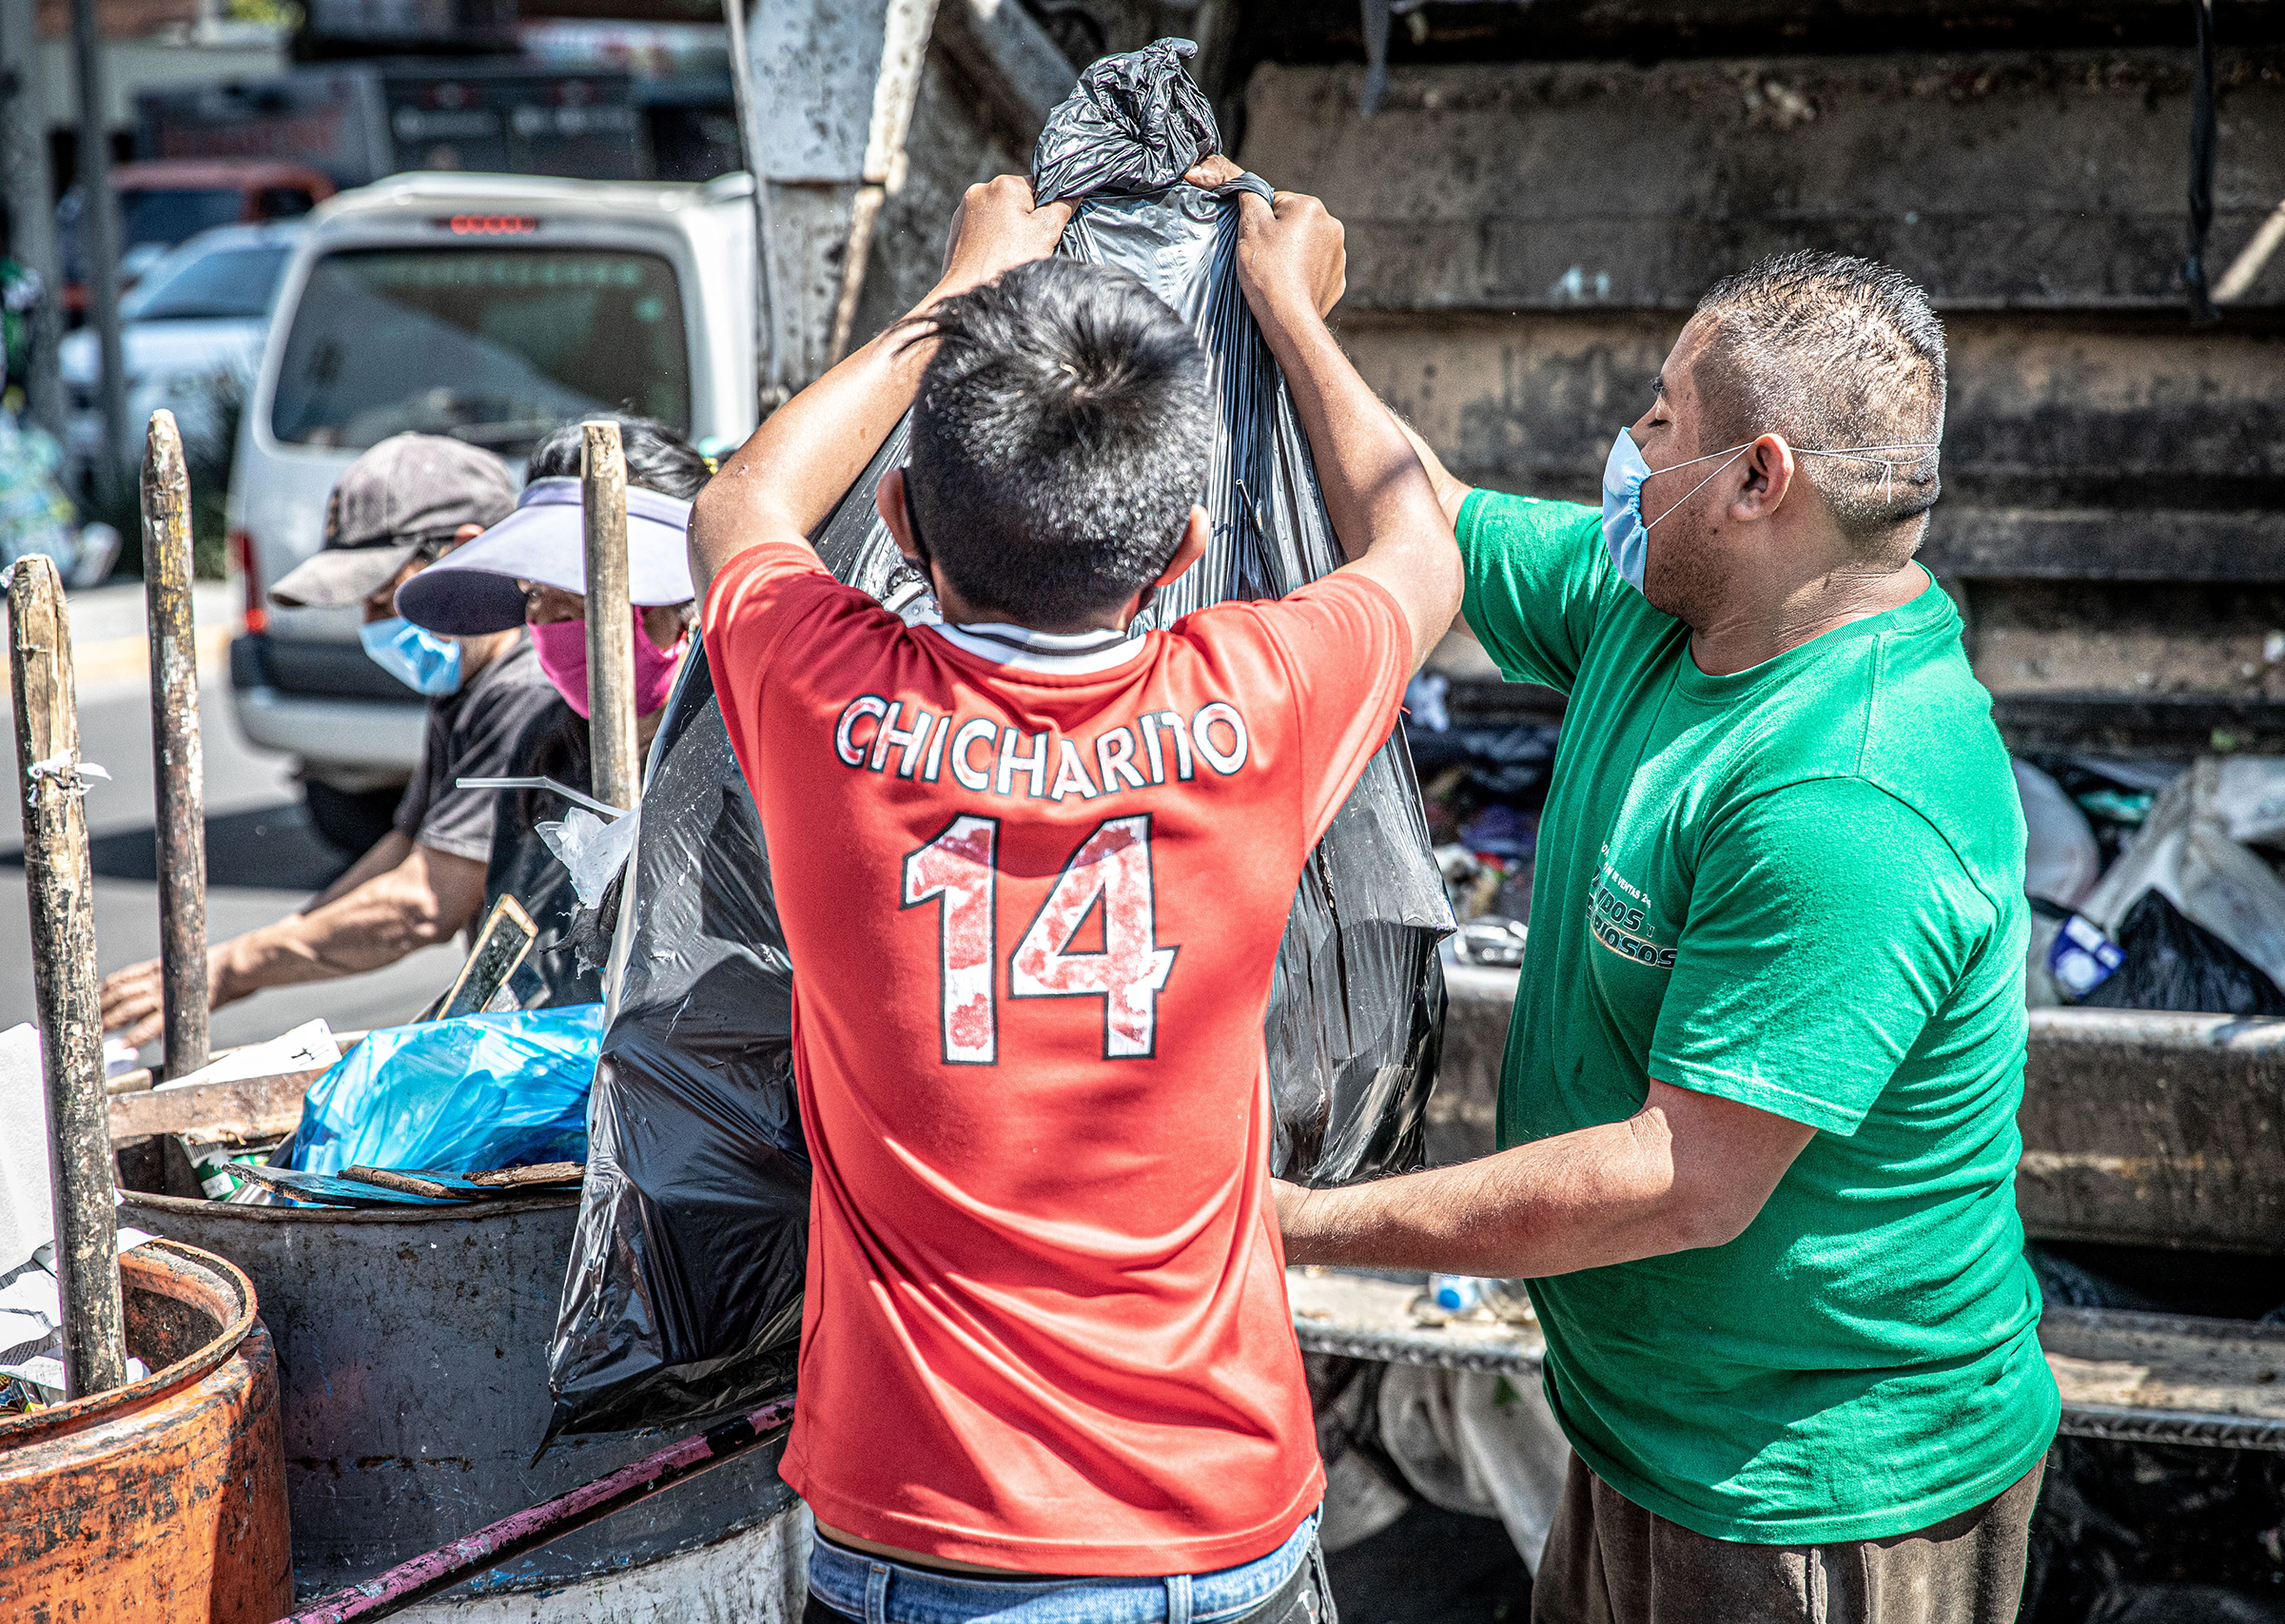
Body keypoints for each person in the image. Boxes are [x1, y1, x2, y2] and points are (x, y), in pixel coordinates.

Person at [686, 176, 1459, 1618]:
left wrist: (954, 289)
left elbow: (744, 504)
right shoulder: (1260, 698)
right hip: (1228, 1527)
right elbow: (1419, 547)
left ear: (907, 523)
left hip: (936, 1545)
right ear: (1180, 558)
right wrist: (1292, 308)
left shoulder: (827, 696)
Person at [1275, 251, 2060, 1624]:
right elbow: (1431, 521)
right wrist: (1287, 309)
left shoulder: (1852, 792)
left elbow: (1681, 1179)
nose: (1632, 441)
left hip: (1813, 1490)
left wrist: (1291, 1225)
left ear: (1760, 478)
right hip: (1648, 1425)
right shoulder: (1671, 614)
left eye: (1661, 412)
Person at [99, 434, 550, 1047]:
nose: (372, 627)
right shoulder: (469, 685)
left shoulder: (525, 688)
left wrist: (233, 969)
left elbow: (422, 901)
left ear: (466, 553)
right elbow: (405, 847)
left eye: (383, 599)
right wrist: (239, 960)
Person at [395, 415, 708, 1007]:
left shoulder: (736, 757)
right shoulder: (547, 752)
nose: (546, 618)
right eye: (537, 591)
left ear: (683, 601)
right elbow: (510, 968)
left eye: (580, 588)